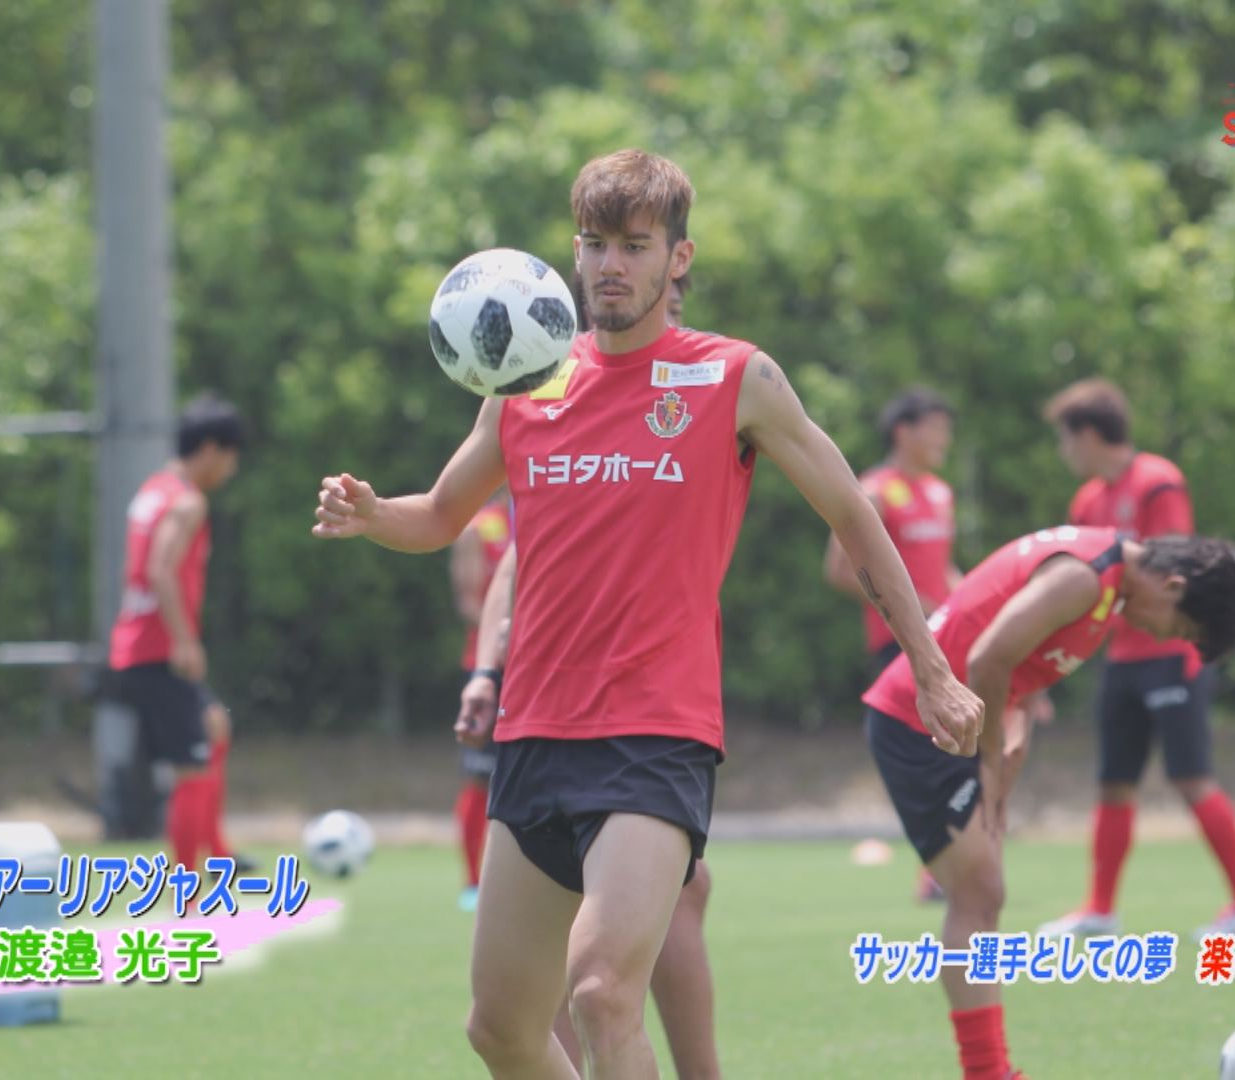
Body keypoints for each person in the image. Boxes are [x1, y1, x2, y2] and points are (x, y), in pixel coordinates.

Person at [315, 149, 982, 1080]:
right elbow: (438, 515)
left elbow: (853, 516)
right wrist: (372, 514)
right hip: (535, 731)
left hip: (654, 735)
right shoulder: (530, 381)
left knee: (599, 992)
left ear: (679, 257)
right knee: (501, 1029)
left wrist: (934, 670)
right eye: (595, 244)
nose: (610, 265)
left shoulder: (734, 377)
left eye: (635, 245)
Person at [863, 525, 1235, 1079]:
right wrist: (991, 761)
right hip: (919, 722)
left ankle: (990, 1070)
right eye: (1180, 629)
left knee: (982, 894)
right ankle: (989, 1072)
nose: (1161, 636)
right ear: (1173, 586)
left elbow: (1021, 657)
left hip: (947, 723)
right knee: (979, 893)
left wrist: (1019, 723)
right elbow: (988, 657)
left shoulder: (1107, 582)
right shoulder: (1085, 577)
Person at [458, 275, 721, 1080]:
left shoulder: (709, 390)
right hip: (547, 720)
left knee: (623, 966)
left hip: (657, 718)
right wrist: (487, 667)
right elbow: (519, 561)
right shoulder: (548, 395)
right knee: (514, 1018)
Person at [1034, 379, 1235, 940]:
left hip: (1169, 654)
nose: (1065, 452)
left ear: (1089, 435)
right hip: (1119, 656)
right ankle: (1100, 909)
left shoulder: (1157, 480)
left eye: (1066, 439)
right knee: (1114, 782)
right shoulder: (1087, 500)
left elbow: (1174, 571)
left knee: (1191, 776)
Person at [824, 387, 964, 904]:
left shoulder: (941, 492)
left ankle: (950, 866)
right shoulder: (875, 490)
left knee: (958, 752)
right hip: (900, 644)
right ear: (903, 432)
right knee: (929, 756)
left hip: (947, 640)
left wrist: (968, 603)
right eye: (935, 427)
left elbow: (944, 568)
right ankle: (938, 869)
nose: (944, 438)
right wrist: (911, 608)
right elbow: (839, 569)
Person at [105, 395, 252, 876]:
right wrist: (184, 641)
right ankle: (187, 889)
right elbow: (160, 570)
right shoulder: (187, 502)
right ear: (209, 449)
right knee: (192, 765)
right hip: (158, 650)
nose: (230, 469)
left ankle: (219, 855)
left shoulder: (152, 491)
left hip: (138, 643)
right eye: (229, 457)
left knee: (214, 727)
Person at [449, 489, 513, 913]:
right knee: (480, 777)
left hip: (541, 667)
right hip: (489, 667)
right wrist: (510, 632)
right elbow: (470, 602)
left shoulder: (556, 511)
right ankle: (473, 883)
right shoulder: (481, 527)